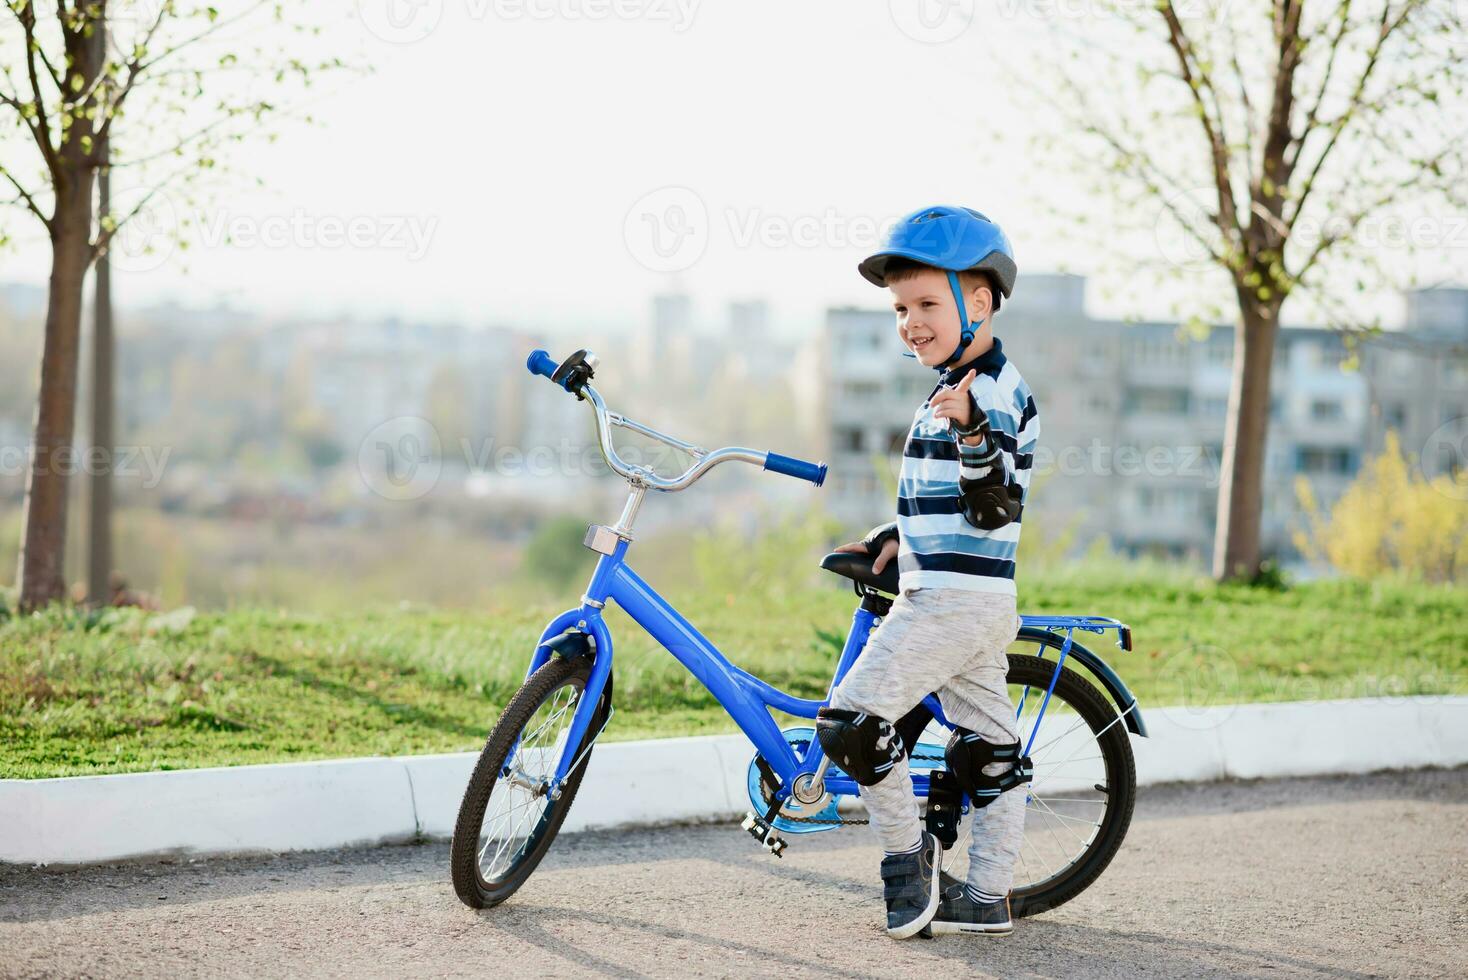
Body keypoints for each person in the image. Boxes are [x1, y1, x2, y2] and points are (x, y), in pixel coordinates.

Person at [815, 205, 1039, 939]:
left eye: (927, 304)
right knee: (989, 751)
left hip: (945, 602)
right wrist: (895, 534)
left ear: (979, 302)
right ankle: (987, 897)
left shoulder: (985, 394)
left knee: (851, 724)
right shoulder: (965, 381)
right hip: (977, 598)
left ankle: (908, 866)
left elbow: (993, 500)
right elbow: (955, 504)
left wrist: (972, 429)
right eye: (900, 308)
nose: (910, 321)